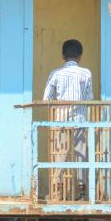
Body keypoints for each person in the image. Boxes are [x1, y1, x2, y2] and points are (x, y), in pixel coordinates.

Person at [43, 39, 93, 198]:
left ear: (63, 56)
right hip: (80, 120)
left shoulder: (55, 73)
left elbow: (46, 99)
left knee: (60, 156)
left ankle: (58, 192)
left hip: (60, 121)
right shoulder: (86, 73)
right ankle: (82, 193)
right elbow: (89, 99)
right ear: (80, 56)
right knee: (81, 156)